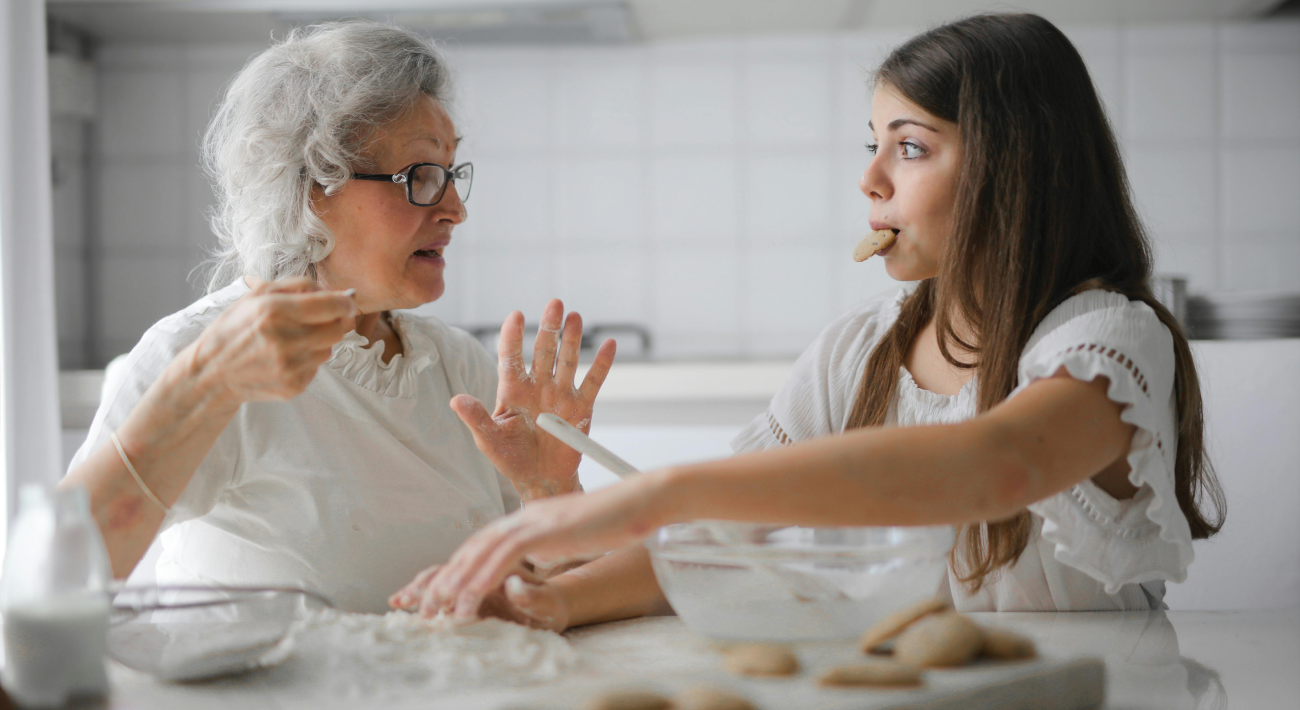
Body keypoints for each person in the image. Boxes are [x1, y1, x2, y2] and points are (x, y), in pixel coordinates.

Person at [394, 13, 1227, 624]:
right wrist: (556, 600)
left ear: (1015, 167)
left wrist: (663, 489)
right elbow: (725, 537)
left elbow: (997, 464)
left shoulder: (1108, 341)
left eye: (909, 146)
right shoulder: (859, 350)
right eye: (871, 143)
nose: (869, 179)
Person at [60, 21, 614, 613]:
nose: (455, 209)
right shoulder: (198, 352)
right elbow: (61, 572)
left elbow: (544, 601)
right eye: (420, 177)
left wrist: (549, 491)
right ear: (308, 188)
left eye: (452, 174)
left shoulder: (457, 367)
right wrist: (202, 386)